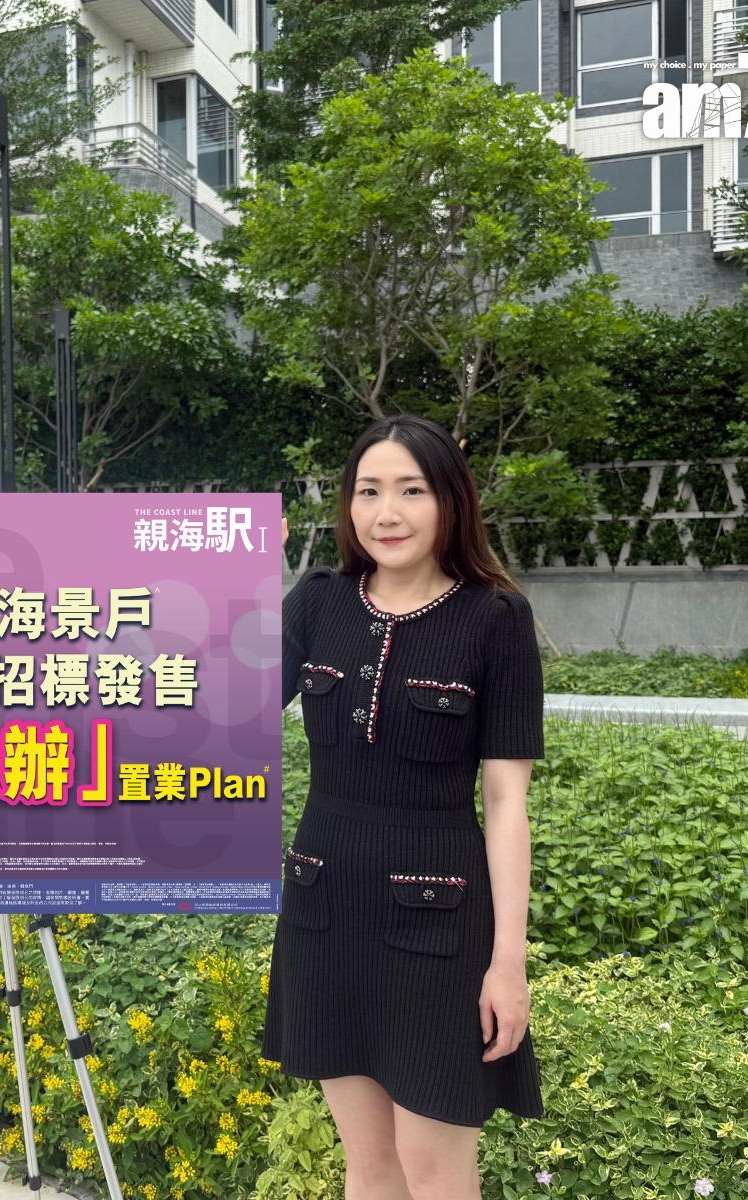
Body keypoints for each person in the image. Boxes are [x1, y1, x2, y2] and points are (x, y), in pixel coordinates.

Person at [264, 414, 546, 1200]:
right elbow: (221, 707)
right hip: (325, 910)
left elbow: (506, 803)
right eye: (369, 491)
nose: (387, 513)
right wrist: (241, 580)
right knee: (370, 1164)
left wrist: (508, 964)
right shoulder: (316, 602)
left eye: (411, 491)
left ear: (451, 500)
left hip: (438, 925)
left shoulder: (494, 619)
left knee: (435, 1169)